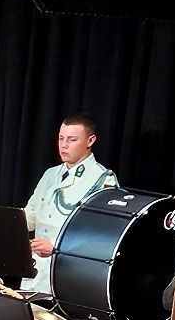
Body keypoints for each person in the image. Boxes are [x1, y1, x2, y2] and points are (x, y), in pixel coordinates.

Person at [25, 114, 119, 295]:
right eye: (61, 138)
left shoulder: (102, 179)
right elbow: (30, 216)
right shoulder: (51, 174)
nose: (64, 145)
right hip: (35, 270)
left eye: (72, 139)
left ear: (90, 140)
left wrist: (57, 248)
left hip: (67, 273)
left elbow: (101, 236)